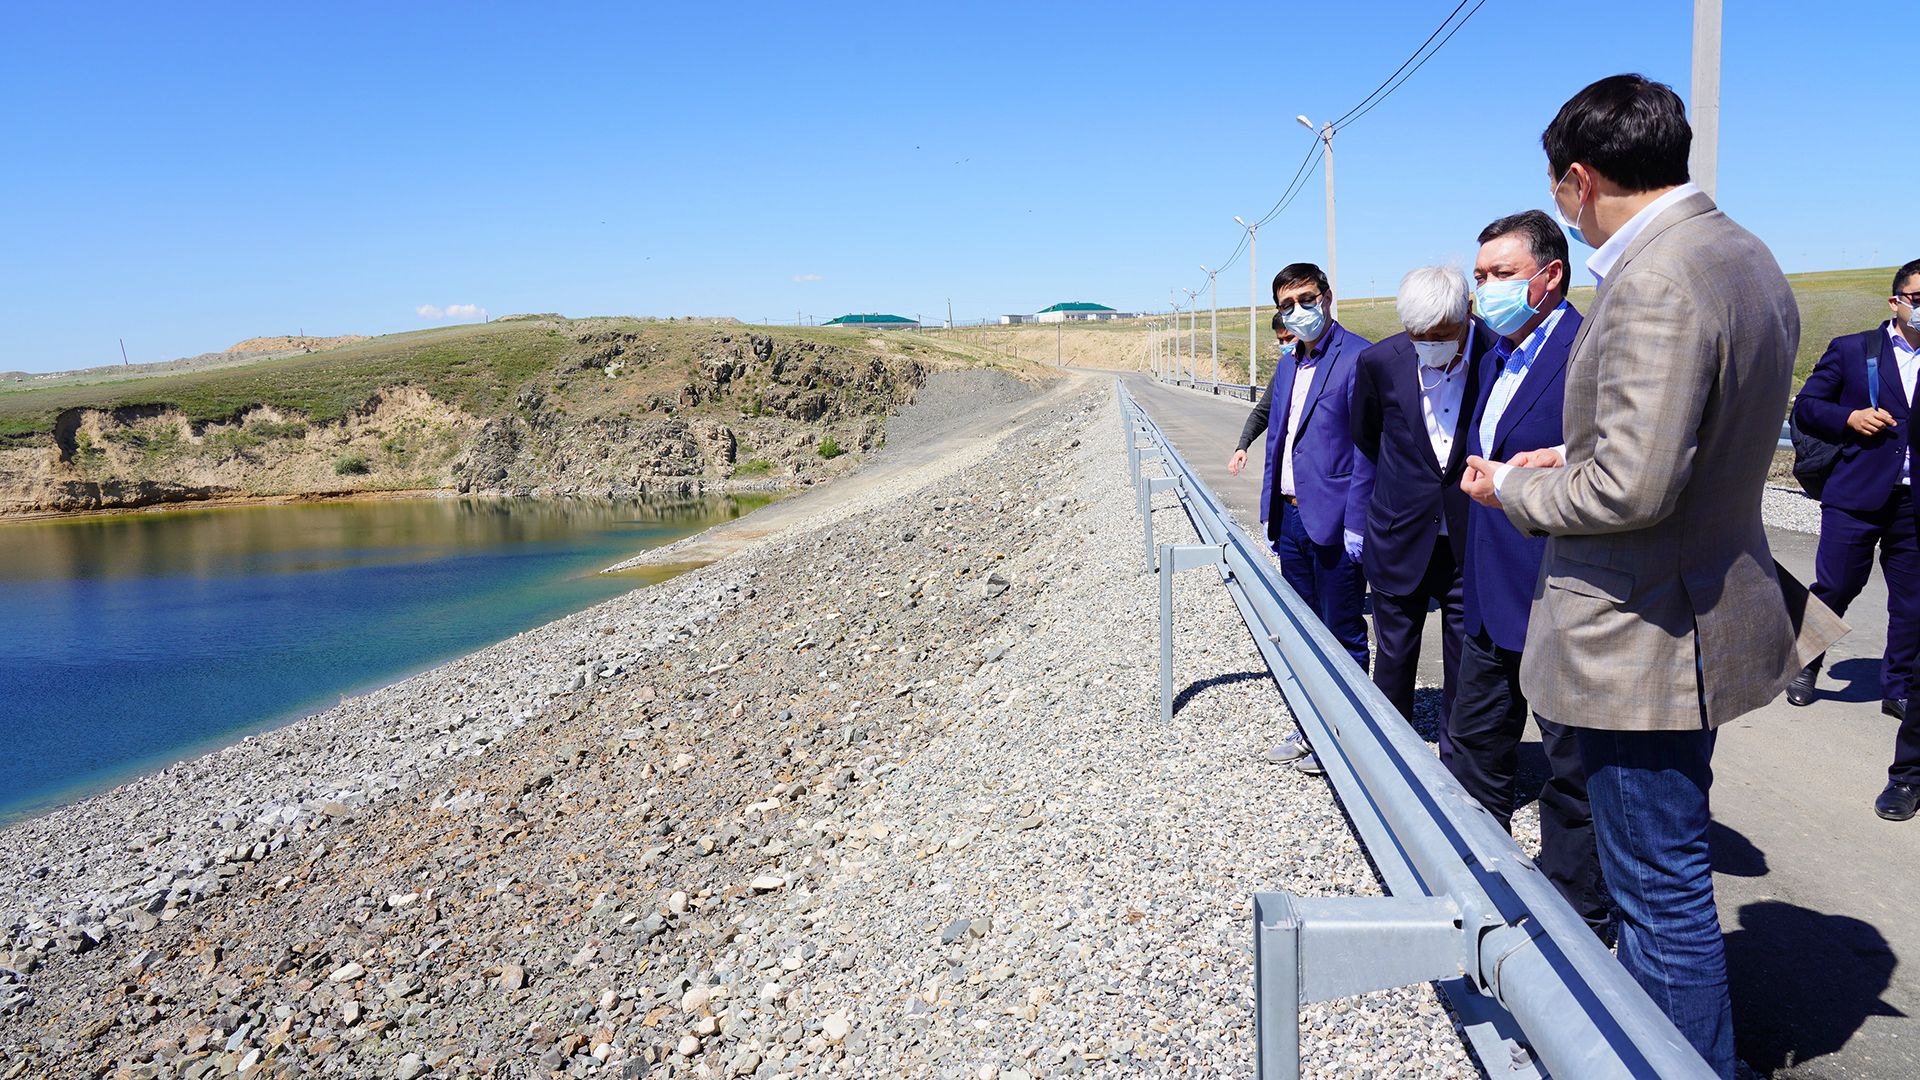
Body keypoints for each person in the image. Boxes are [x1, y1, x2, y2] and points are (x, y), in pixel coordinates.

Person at [1459, 74, 1845, 1075]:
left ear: (1581, 181)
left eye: (1559, 193)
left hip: (1642, 639)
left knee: (1659, 895)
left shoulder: (1659, 278)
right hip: (1700, 610)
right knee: (1664, 878)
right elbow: (1687, 440)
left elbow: (1631, 491)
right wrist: (1569, 454)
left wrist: (1514, 490)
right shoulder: (1742, 255)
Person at [1451, 210, 1609, 935]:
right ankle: (1472, 884)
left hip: (1558, 596)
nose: (1485, 290)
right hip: (1486, 590)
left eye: (1501, 276)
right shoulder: (1494, 350)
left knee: (1571, 770)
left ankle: (1575, 916)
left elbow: (1615, 462)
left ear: (1549, 277)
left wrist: (1564, 462)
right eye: (1479, 277)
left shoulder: (1590, 350)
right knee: (1477, 747)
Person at [1790, 258, 1920, 821]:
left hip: (1914, 502)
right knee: (1836, 584)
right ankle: (1806, 660)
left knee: (1912, 605)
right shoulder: (1853, 349)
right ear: (1896, 302)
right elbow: (1809, 407)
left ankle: (1900, 685)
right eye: (1919, 295)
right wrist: (1851, 419)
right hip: (1856, 495)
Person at [1348, 266, 1492, 754]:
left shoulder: (1498, 354)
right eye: (1418, 337)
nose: (1429, 345)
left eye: (1441, 336)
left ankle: (1456, 770)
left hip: (1472, 538)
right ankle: (1391, 757)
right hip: (1399, 533)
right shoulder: (1380, 362)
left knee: (1467, 663)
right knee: (1393, 655)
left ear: (1467, 316)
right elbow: (1367, 436)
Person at [1258, 263, 1374, 775]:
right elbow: (1278, 440)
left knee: (1342, 628)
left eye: (1306, 299)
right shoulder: (1288, 364)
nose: (1298, 311)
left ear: (1327, 296)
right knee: (1302, 630)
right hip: (1290, 518)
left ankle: (1350, 733)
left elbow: (1371, 449)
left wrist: (1358, 521)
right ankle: (1310, 725)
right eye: (1287, 305)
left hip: (1335, 521)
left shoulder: (1359, 358)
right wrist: (1270, 511)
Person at [1227, 312, 1298, 478]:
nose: (1285, 345)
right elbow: (1262, 412)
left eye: (1290, 338)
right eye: (1281, 341)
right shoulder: (1284, 370)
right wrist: (1242, 446)